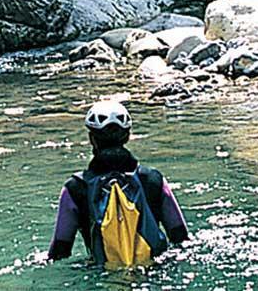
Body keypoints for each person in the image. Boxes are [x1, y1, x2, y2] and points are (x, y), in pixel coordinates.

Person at [48, 100, 189, 267]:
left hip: (103, 273)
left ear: (92, 139)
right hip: (152, 272)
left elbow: (60, 250)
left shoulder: (75, 188)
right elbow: (180, 236)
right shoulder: (153, 180)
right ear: (127, 136)